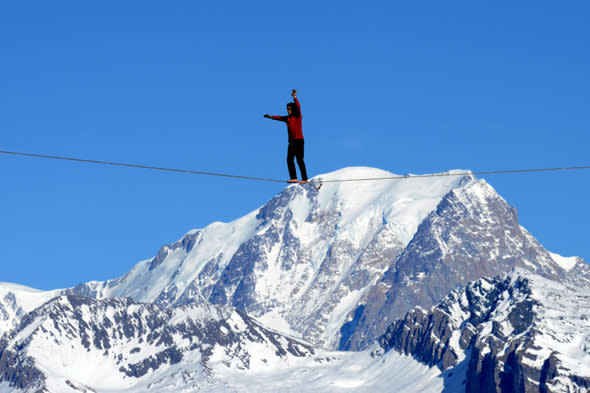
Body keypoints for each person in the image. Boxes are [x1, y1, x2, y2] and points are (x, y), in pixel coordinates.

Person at [264, 89, 308, 184]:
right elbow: (279, 118)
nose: (287, 110)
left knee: (299, 160)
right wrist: (271, 117)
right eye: (287, 109)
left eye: (289, 109)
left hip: (299, 141)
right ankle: (294, 177)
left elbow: (299, 107)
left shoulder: (297, 116)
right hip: (291, 142)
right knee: (289, 159)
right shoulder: (287, 118)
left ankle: (304, 178)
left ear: (292, 109)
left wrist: (294, 97)